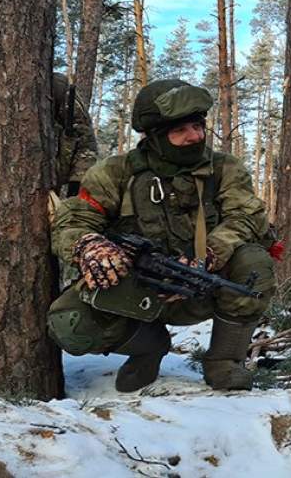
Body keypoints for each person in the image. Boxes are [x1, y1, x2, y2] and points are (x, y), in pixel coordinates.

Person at [47, 79, 276, 392]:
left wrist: (207, 256)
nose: (194, 136)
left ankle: (224, 361)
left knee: (254, 262)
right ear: (153, 136)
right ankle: (148, 346)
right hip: (132, 292)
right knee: (68, 322)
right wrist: (89, 246)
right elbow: (73, 219)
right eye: (180, 131)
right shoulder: (115, 173)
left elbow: (246, 215)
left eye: (198, 126)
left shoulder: (224, 169)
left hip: (199, 288)